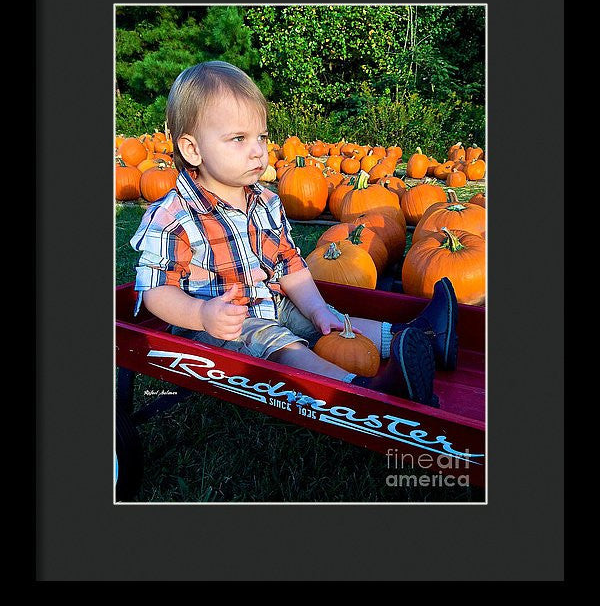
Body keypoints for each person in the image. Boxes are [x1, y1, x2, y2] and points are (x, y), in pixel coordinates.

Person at [130, 61, 459, 408]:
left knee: (327, 319)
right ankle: (364, 391)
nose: (258, 150)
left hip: (271, 302)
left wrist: (318, 310)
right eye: (239, 139)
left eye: (262, 136)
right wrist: (201, 315)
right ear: (193, 149)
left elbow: (289, 265)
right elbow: (156, 291)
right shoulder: (173, 215)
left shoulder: (266, 201)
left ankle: (425, 338)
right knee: (280, 343)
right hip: (218, 326)